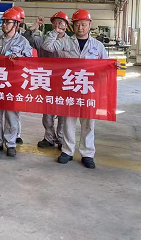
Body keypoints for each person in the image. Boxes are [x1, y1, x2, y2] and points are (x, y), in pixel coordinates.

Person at [43, 9, 109, 169]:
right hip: (70, 89)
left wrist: (113, 67)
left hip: (89, 90)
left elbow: (105, 66)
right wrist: (56, 31)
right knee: (68, 122)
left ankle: (87, 154)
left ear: (90, 25)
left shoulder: (98, 46)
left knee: (88, 123)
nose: (81, 27)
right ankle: (67, 151)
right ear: (73, 26)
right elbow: (47, 46)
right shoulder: (65, 42)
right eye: (77, 24)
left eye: (84, 24)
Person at [0, 8, 33, 157]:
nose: (4, 25)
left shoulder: (23, 42)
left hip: (13, 83)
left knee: (11, 114)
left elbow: (30, 61)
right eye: (3, 22)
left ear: (16, 24)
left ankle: (10, 143)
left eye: (7, 22)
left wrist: (19, 59)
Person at [35, 11, 69, 149]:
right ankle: (49, 138)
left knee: (62, 113)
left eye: (61, 22)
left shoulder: (70, 42)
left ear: (66, 25)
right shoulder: (45, 39)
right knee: (47, 112)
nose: (57, 25)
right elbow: (41, 44)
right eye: (55, 22)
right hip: (47, 80)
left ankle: (61, 139)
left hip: (64, 81)